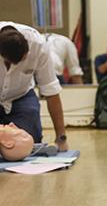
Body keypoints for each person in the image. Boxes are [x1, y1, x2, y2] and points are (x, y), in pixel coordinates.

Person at [0, 22, 69, 150]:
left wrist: (61, 138)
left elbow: (51, 90)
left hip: (22, 95)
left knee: (27, 143)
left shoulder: (38, 45)